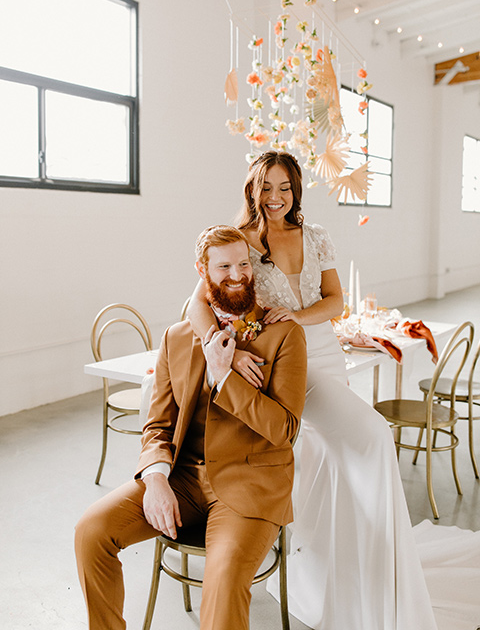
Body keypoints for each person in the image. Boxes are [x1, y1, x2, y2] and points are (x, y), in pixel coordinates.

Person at [187, 152, 438, 630]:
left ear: (296, 191)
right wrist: (225, 352)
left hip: (326, 355)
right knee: (373, 434)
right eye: (266, 188)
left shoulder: (316, 235)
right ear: (252, 190)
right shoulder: (238, 241)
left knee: (330, 458)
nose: (275, 198)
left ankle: (353, 567)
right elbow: (195, 303)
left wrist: (298, 316)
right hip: (287, 363)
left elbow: (336, 300)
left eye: (285, 188)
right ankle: (372, 569)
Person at [75, 225, 307, 630]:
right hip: (181, 481)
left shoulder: (284, 335)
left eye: (243, 263)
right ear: (202, 270)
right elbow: (157, 424)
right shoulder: (177, 338)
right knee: (90, 531)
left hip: (249, 488)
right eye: (223, 267)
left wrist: (224, 378)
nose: (237, 275)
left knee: (219, 587)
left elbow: (285, 430)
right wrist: (157, 479)